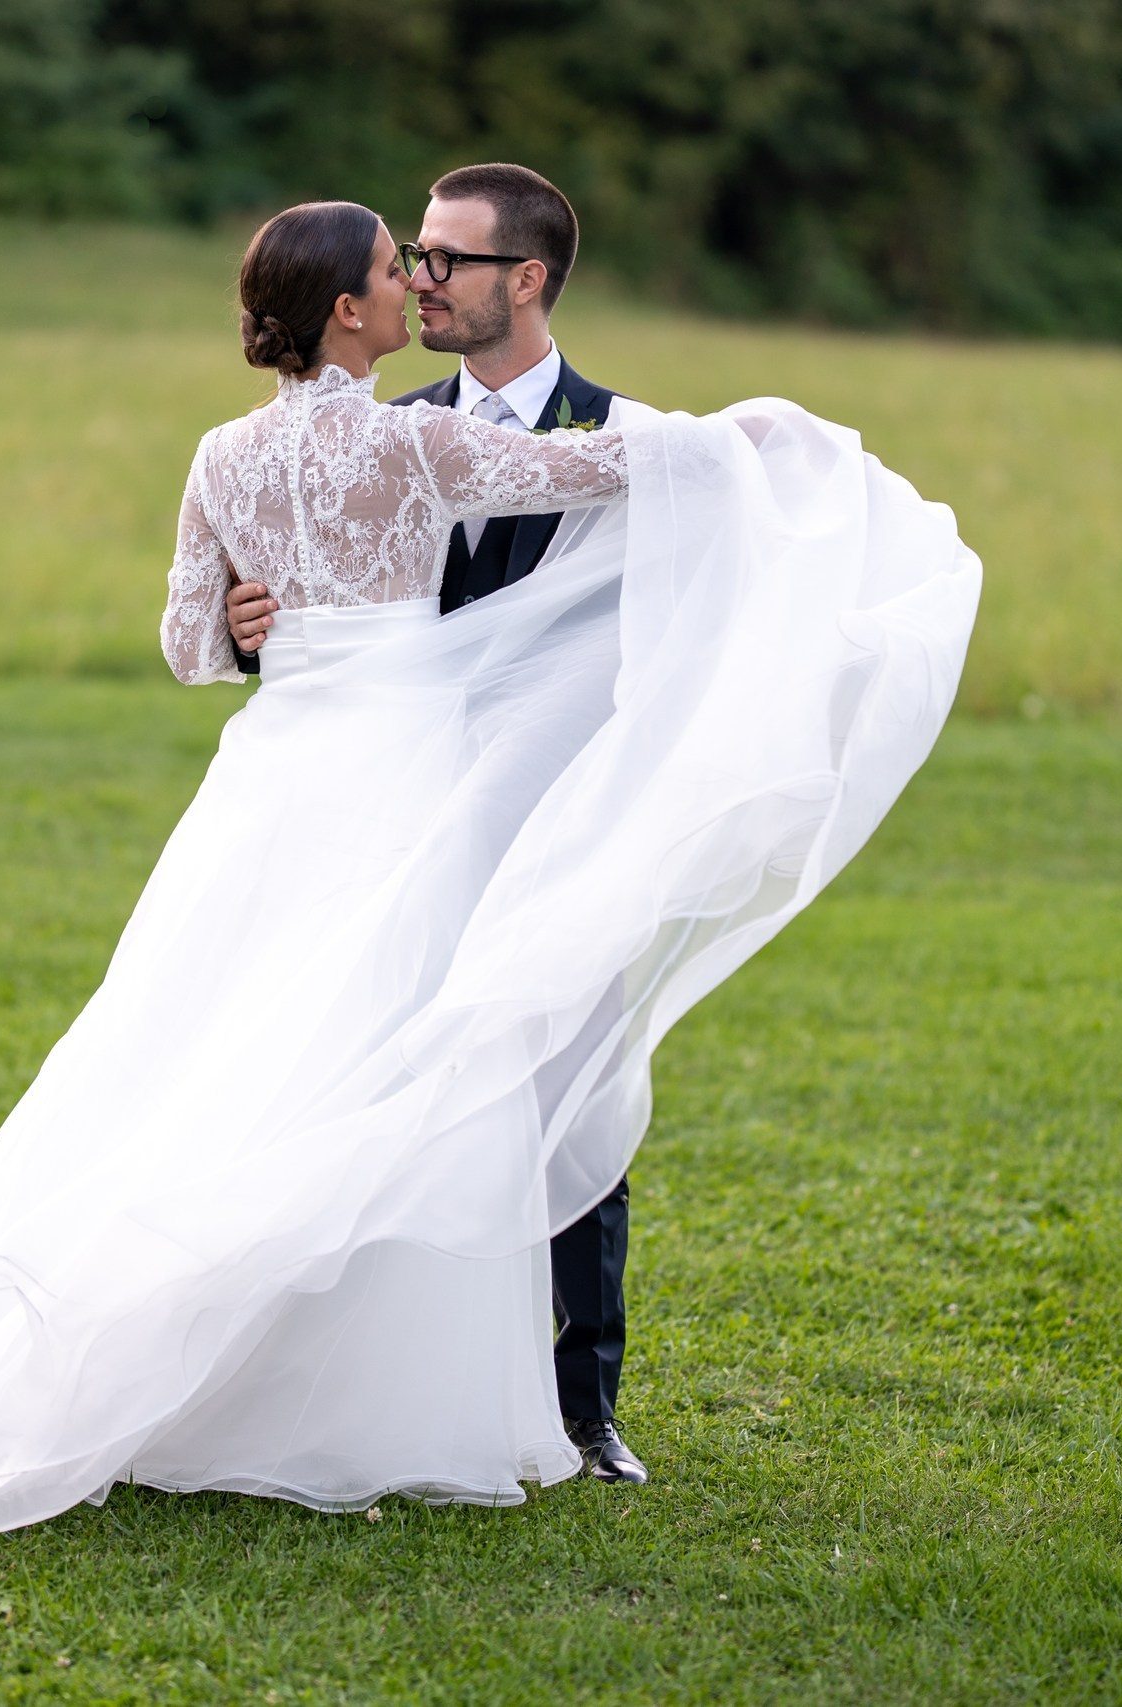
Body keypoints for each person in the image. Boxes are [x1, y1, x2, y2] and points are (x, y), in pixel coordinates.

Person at [0, 199, 982, 1545]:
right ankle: (335, 1382)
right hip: (401, 771)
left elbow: (184, 650)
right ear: (351, 314)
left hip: (274, 775)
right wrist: (769, 439)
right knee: (388, 1042)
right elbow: (597, 469)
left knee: (210, 1040)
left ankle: (195, 1346)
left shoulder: (220, 457)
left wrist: (248, 624)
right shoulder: (415, 448)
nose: (409, 286)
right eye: (390, 272)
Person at [227, 164, 647, 1484]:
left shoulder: (619, 431)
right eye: (411, 255)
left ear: (524, 279)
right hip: (385, 823)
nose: (420, 277)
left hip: (560, 819)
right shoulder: (378, 431)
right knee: (369, 1084)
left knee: (567, 1093)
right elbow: (285, 611)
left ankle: (584, 1409)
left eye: (450, 260)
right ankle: (365, 1383)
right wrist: (252, 632)